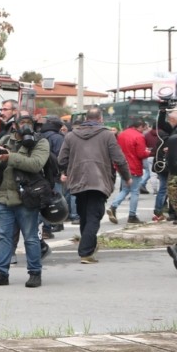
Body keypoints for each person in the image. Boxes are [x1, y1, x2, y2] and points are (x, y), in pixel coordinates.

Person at [0, 113, 51, 288]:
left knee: (31, 238)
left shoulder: (40, 142)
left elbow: (36, 164)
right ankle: (1, 274)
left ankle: (35, 273)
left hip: (27, 199)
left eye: (29, 123)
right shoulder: (4, 140)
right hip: (3, 199)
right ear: (14, 125)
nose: (25, 126)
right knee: (3, 237)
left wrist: (9, 157)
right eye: (22, 122)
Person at [58, 106, 129, 265]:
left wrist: (67, 170)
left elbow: (61, 160)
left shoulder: (71, 136)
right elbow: (119, 159)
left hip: (78, 181)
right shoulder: (107, 136)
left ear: (85, 119)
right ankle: (86, 252)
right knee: (94, 216)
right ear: (101, 119)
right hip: (99, 181)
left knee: (85, 216)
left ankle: (88, 246)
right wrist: (127, 177)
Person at [106, 118, 149, 225]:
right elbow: (140, 154)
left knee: (125, 189)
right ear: (140, 126)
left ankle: (113, 206)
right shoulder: (139, 136)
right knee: (134, 191)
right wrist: (147, 152)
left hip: (122, 166)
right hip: (134, 166)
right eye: (143, 128)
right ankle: (132, 215)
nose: (143, 131)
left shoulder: (122, 134)